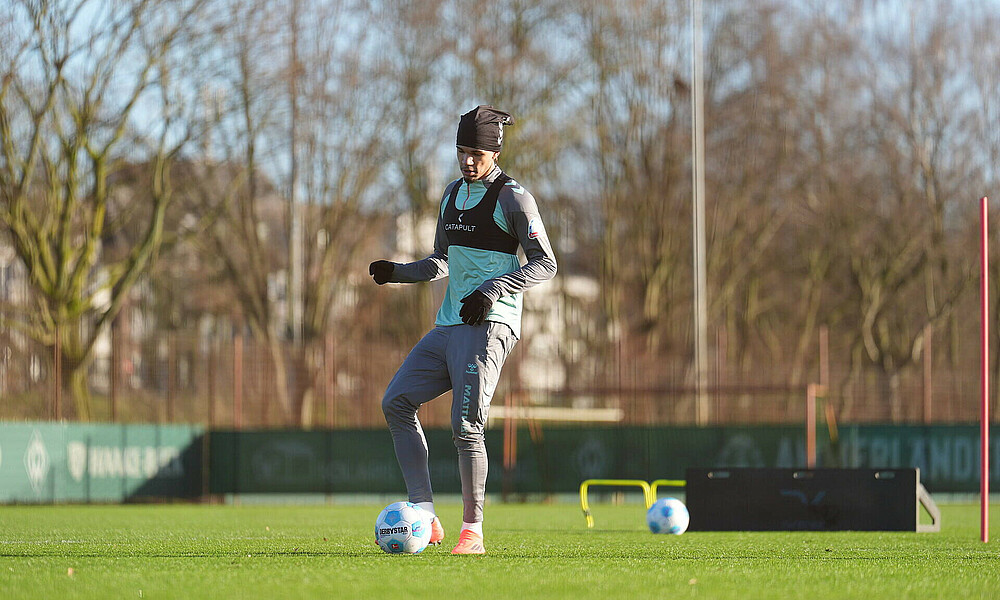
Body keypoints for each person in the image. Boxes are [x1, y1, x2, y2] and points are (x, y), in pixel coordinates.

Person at [369, 105, 557, 555]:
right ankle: (426, 516)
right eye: (462, 151)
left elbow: (546, 264)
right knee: (396, 402)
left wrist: (495, 288)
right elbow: (442, 260)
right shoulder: (452, 195)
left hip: (490, 325)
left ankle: (472, 532)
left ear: (494, 151)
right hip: (449, 323)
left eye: (476, 152)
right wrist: (399, 272)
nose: (468, 161)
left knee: (466, 425)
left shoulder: (514, 199)